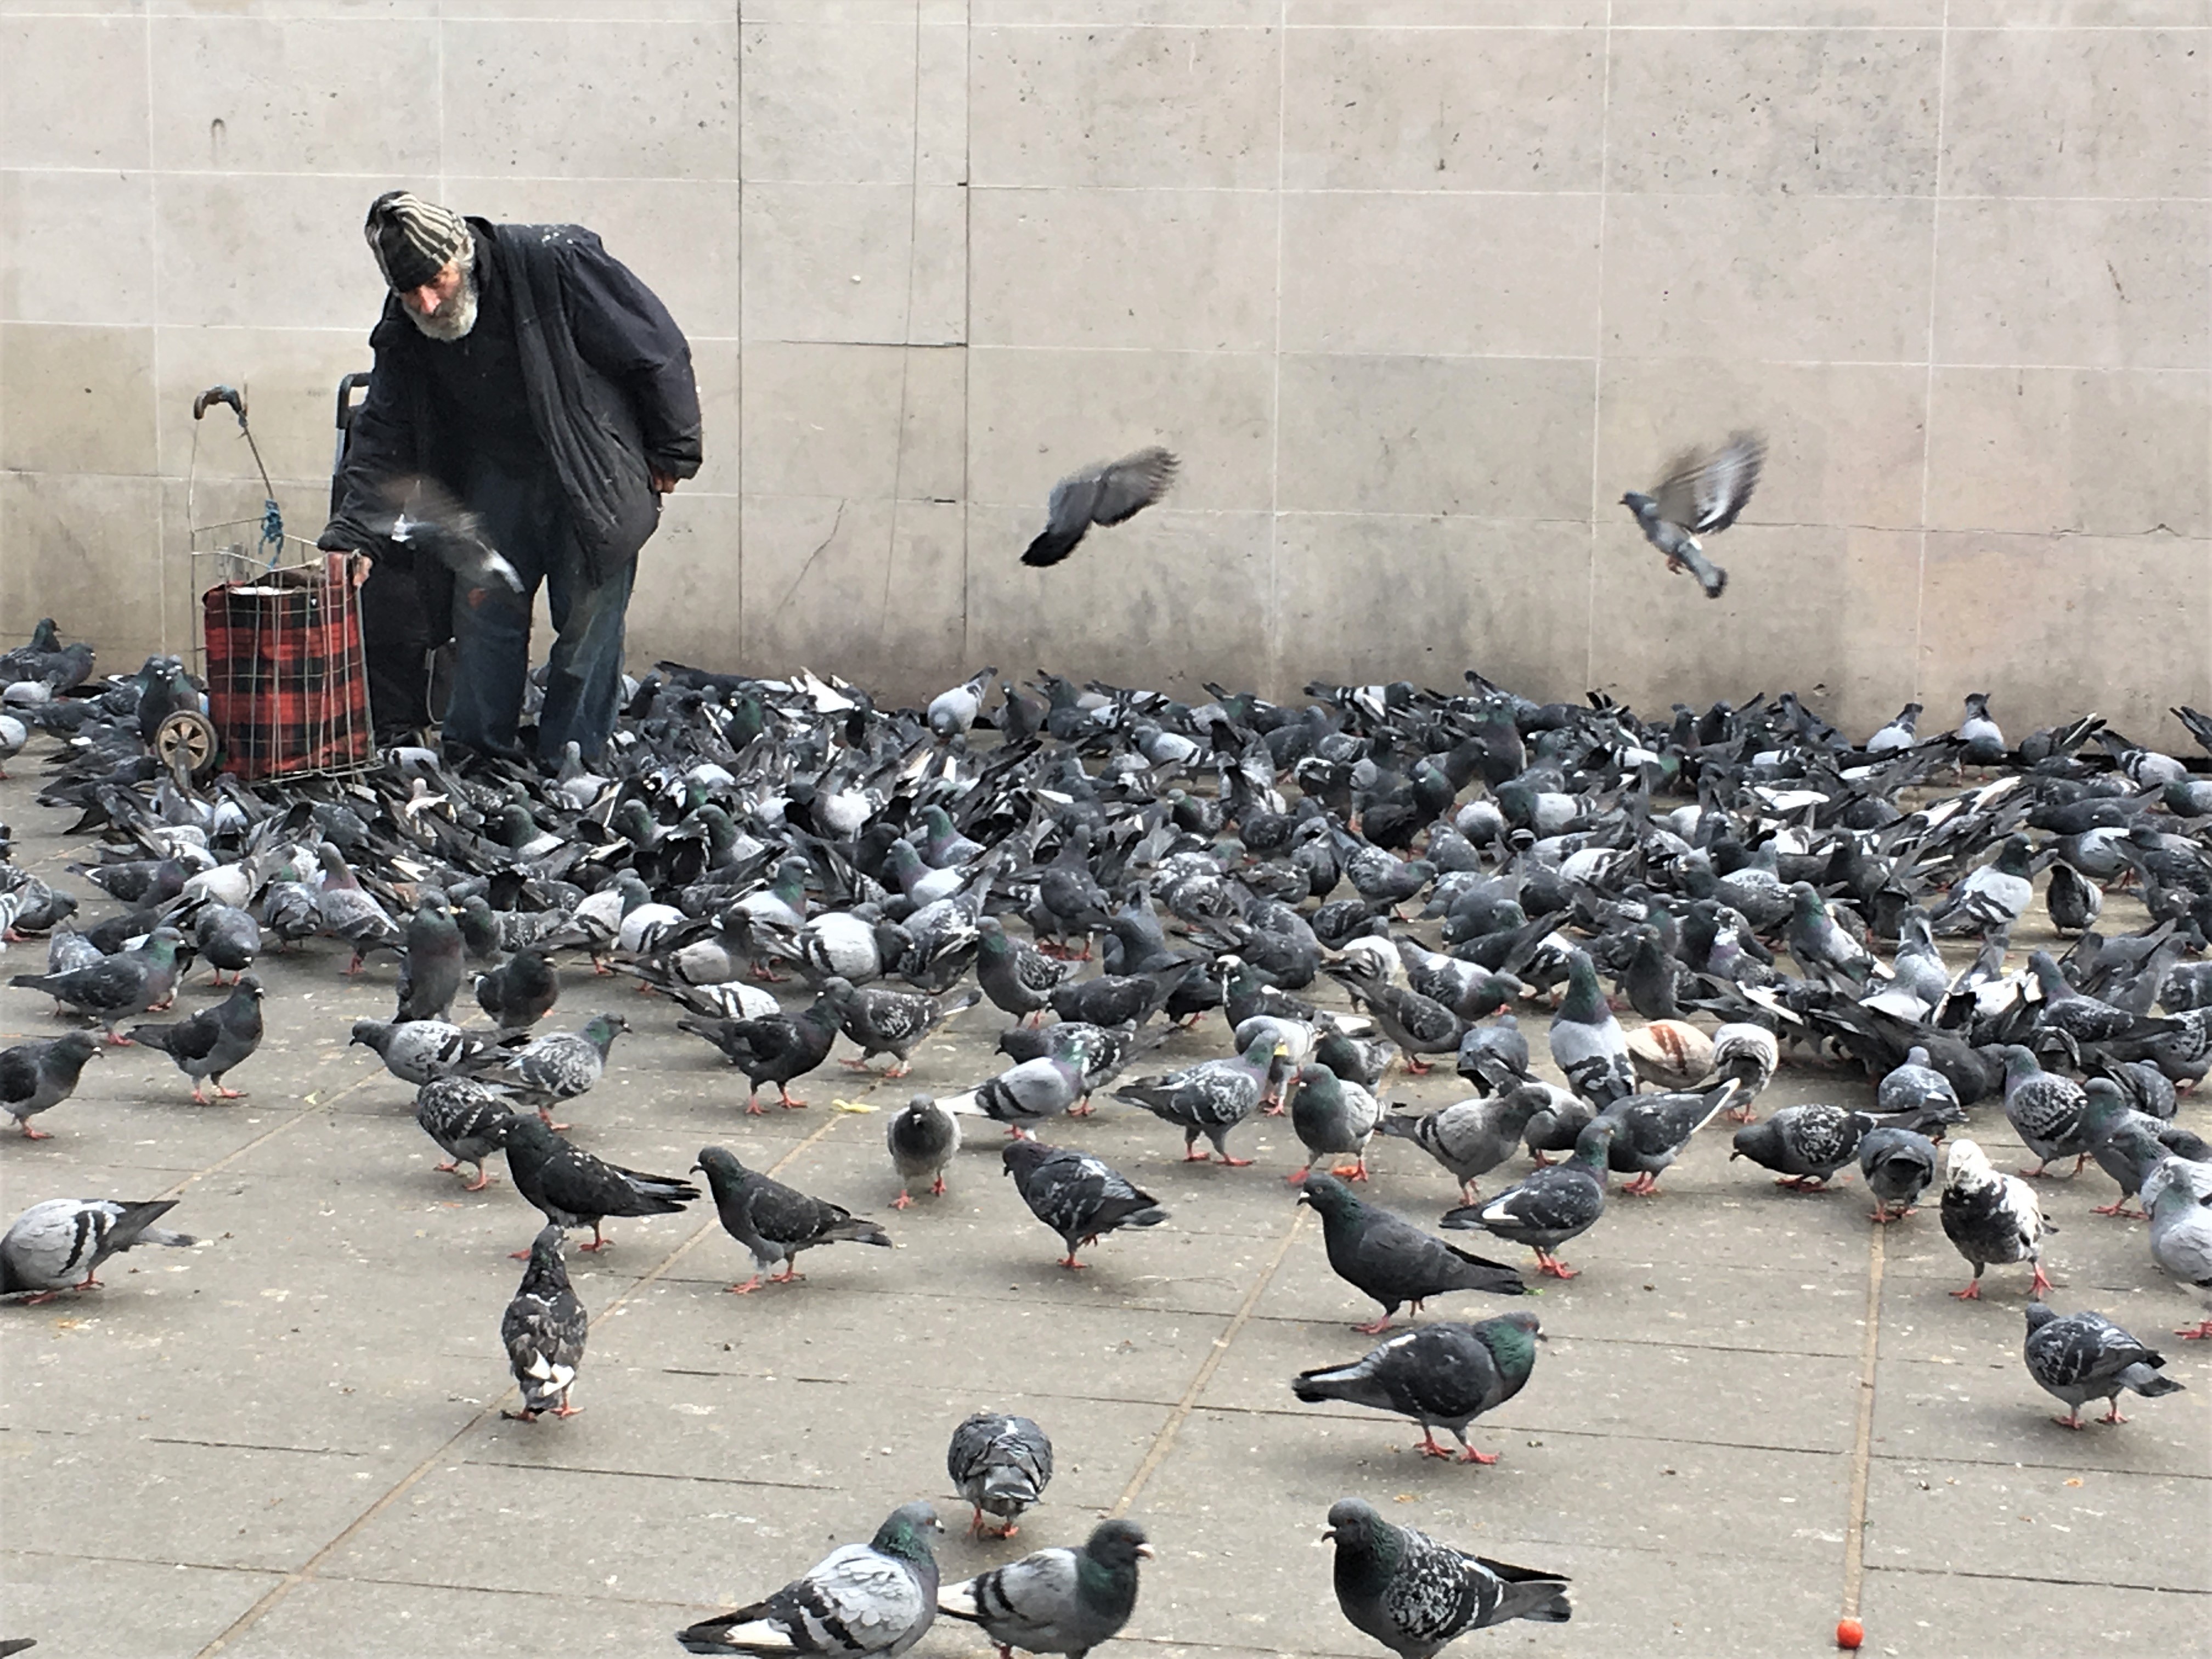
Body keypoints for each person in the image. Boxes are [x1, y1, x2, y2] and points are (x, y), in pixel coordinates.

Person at [320, 191, 701, 763]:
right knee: (481, 619)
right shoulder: (407, 319)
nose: (426, 303)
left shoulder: (555, 261)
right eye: (409, 292)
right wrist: (353, 535)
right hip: (494, 477)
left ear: (463, 256)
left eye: (437, 282)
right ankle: (476, 759)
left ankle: (572, 764)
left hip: (589, 474)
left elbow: (657, 351)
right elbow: (385, 426)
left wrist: (674, 451)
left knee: (585, 632)